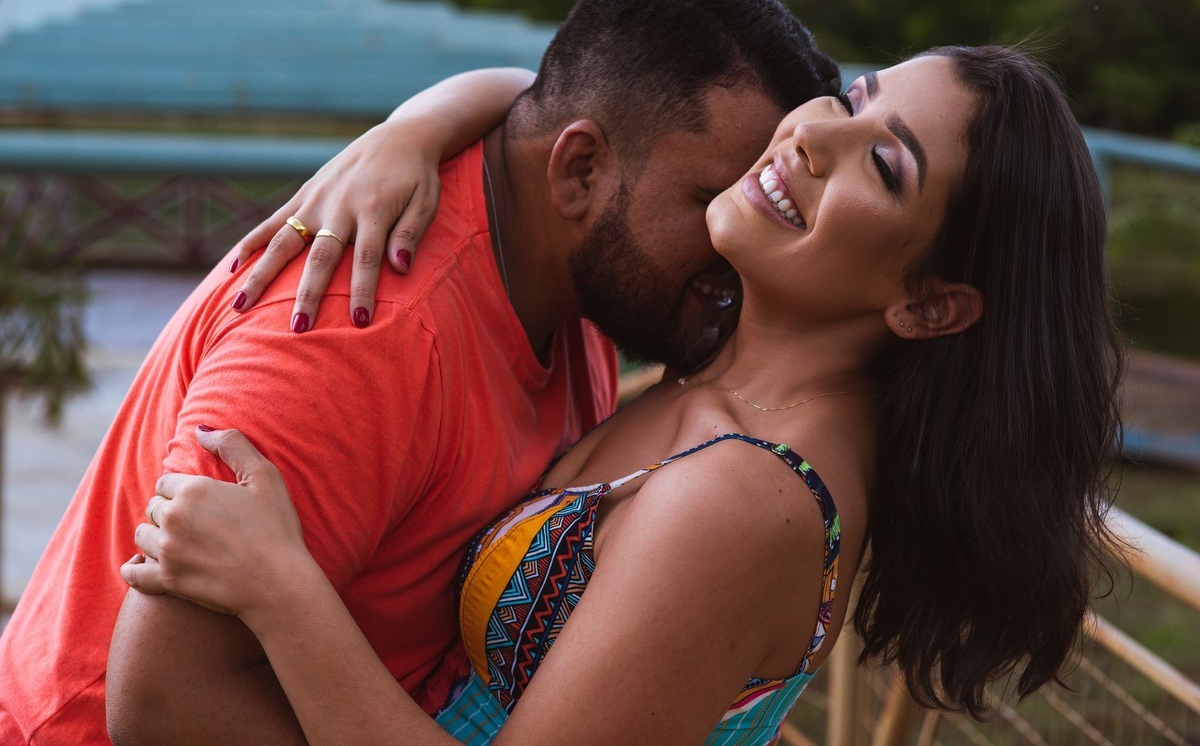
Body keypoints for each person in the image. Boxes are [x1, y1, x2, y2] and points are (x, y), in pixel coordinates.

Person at [119, 45, 1124, 744]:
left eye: (887, 164)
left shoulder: (748, 499)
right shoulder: (713, 359)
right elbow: (567, 99)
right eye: (855, 97)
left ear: (930, 305)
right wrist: (411, 130)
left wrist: (281, 590)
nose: (819, 134)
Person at [0, 0, 842, 745]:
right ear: (578, 168)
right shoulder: (364, 329)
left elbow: (532, 94)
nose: (735, 239)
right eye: (709, 199)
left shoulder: (576, 274)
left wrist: (417, 120)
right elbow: (163, 699)